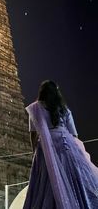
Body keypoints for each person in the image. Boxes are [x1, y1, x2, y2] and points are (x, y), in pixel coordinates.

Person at [23, 80, 98, 209]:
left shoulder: (36, 108)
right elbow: (74, 135)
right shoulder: (64, 110)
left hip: (45, 148)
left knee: (46, 183)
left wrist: (35, 153)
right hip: (67, 145)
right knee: (73, 180)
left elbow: (33, 135)